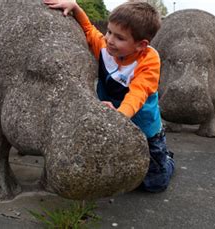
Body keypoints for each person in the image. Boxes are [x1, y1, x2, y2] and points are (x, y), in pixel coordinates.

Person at [44, 0, 174, 193]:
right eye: (109, 31)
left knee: (155, 183)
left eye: (120, 37)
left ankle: (167, 160)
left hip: (145, 128)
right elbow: (89, 30)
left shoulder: (149, 60)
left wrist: (118, 118)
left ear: (141, 45)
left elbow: (137, 93)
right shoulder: (106, 48)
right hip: (115, 121)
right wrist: (76, 7)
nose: (110, 39)